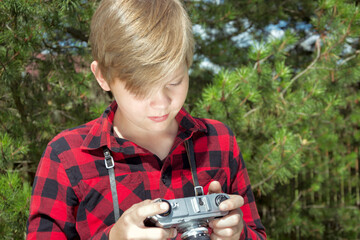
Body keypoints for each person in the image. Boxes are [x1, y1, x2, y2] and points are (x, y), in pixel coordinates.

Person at [26, 0, 267, 239]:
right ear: (102, 77)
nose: (161, 102)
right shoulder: (66, 157)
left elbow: (256, 234)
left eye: (174, 82)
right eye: (140, 88)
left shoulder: (219, 141)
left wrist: (239, 234)